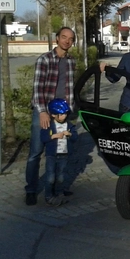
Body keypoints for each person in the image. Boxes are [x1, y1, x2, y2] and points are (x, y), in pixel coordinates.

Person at [26, 27, 76, 206]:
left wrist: (68, 111)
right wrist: (42, 112)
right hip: (44, 112)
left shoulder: (71, 61)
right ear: (57, 39)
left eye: (70, 39)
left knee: (59, 151)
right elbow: (38, 89)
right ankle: (31, 190)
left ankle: (57, 187)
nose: (66, 41)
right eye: (64, 37)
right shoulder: (44, 60)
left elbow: (70, 87)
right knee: (36, 152)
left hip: (62, 114)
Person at [41, 98, 78, 207]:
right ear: (53, 115)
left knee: (61, 176)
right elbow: (43, 138)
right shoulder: (49, 125)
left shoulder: (69, 125)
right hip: (52, 155)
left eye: (65, 114)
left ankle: (59, 193)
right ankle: (48, 196)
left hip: (64, 154)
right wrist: (55, 136)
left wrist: (70, 135)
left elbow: (75, 138)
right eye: (61, 115)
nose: (64, 117)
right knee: (50, 177)